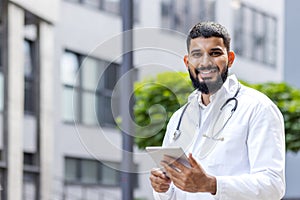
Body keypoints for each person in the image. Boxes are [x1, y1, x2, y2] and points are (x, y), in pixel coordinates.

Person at [149, 21, 285, 199]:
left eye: (215, 53)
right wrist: (162, 188)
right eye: (197, 54)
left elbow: (273, 186)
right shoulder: (179, 118)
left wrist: (212, 185)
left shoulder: (258, 108)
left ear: (229, 59)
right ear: (187, 61)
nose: (205, 63)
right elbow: (174, 193)